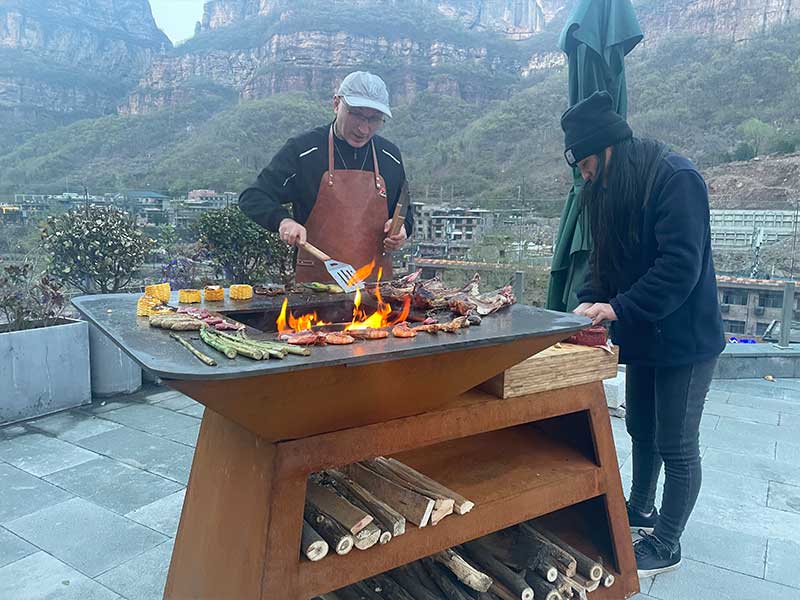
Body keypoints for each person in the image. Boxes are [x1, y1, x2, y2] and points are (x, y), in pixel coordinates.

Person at [560, 91, 725, 577]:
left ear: (608, 148)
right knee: (640, 429)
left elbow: (679, 268)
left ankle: (667, 541)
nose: (585, 175)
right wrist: (589, 302)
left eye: (587, 164)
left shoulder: (676, 178)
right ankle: (641, 508)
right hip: (644, 331)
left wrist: (617, 307)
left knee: (675, 440)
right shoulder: (605, 188)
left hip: (686, 337)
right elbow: (601, 259)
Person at [239, 71, 412, 282]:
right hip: (314, 288)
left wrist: (402, 229)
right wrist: (283, 221)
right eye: (356, 114)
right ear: (337, 104)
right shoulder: (303, 150)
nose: (363, 128)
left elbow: (405, 211)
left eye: (374, 119)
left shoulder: (390, 156)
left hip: (375, 288)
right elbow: (253, 196)